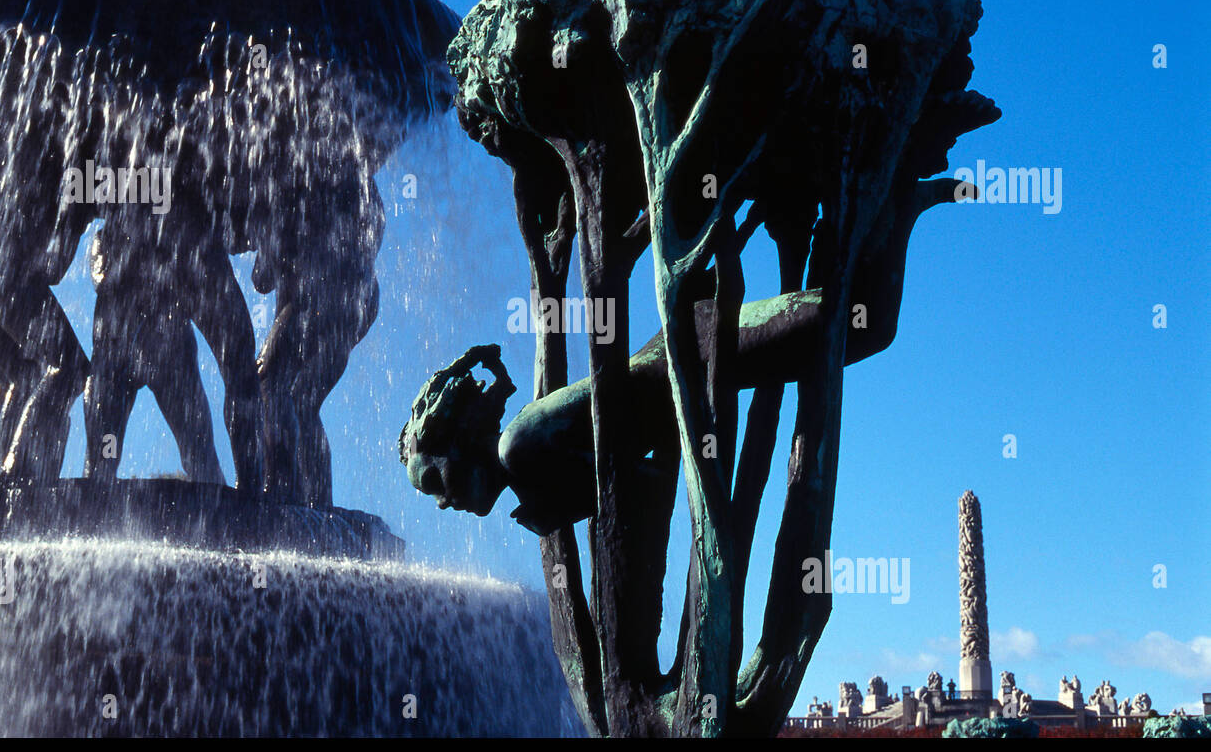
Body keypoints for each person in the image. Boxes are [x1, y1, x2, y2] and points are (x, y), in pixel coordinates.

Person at [400, 177, 965, 535]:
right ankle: (882, 205)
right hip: (700, 368)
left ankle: (895, 199)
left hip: (696, 354)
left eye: (433, 483)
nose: (443, 503)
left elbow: (632, 472)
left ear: (459, 442)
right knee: (854, 328)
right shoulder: (522, 463)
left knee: (859, 325)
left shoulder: (519, 446)